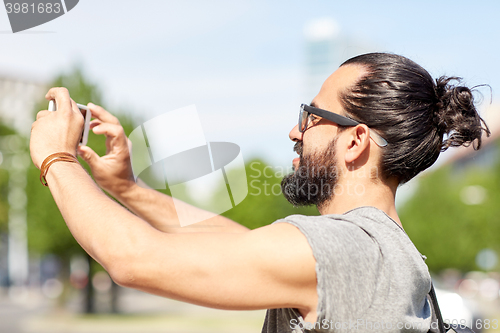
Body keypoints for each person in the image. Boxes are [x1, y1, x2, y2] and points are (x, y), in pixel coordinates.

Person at [30, 53, 489, 332]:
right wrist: (128, 188)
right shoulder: (378, 247)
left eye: (311, 116)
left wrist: (57, 159)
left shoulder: (350, 247)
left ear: (355, 140)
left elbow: (135, 260)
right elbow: (237, 246)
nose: (295, 130)